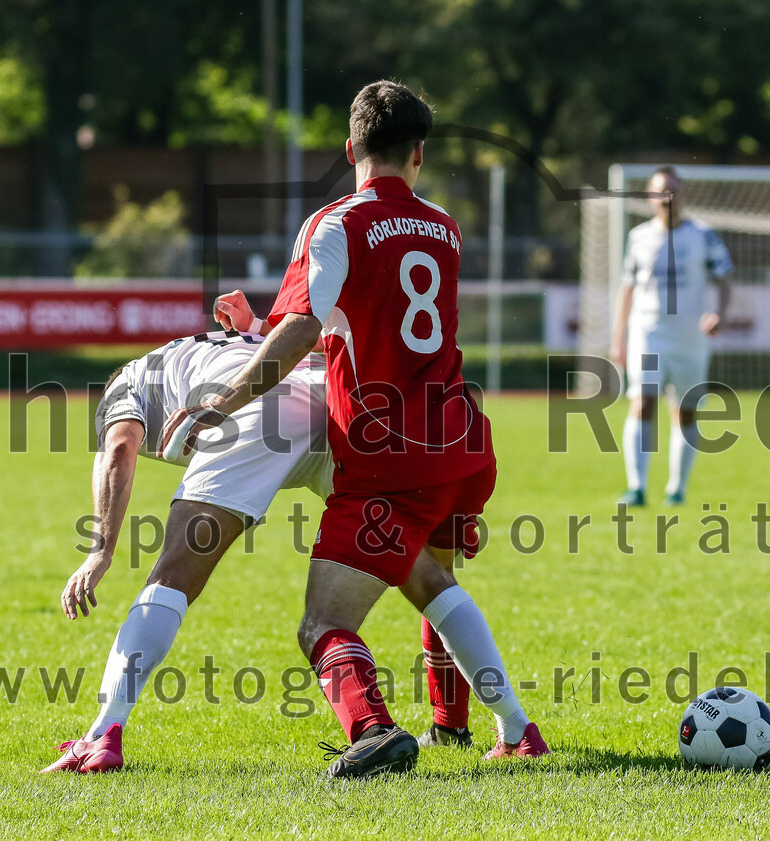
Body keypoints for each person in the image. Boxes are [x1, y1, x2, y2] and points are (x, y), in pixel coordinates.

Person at [160, 81, 549, 779]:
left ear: (350, 149)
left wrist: (226, 395)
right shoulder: (444, 226)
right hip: (460, 439)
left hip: (386, 454)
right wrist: (260, 332)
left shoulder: (335, 223)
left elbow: (309, 323)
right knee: (432, 576)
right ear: (419, 153)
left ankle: (371, 730)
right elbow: (360, 328)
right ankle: (486, 727)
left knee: (323, 625)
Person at [41, 323, 333, 773]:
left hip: (252, 414)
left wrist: (101, 549)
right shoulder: (225, 344)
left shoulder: (129, 380)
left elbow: (120, 447)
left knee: (172, 577)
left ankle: (102, 733)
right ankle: (474, 716)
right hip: (330, 399)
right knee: (418, 566)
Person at [610, 166, 733, 506]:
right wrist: (618, 336)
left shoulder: (703, 235)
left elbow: (724, 279)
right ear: (650, 197)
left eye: (673, 191)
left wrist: (719, 312)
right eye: (661, 191)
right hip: (649, 333)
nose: (668, 198)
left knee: (685, 410)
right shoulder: (639, 237)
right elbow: (627, 288)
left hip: (690, 338)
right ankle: (636, 487)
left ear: (683, 195)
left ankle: (676, 489)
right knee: (643, 401)